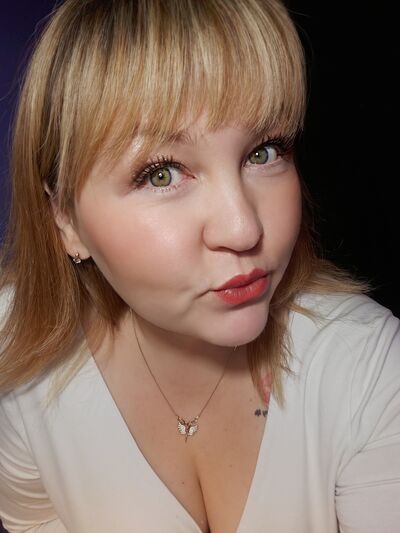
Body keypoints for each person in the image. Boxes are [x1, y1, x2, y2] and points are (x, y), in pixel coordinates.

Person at [0, 0, 399, 531]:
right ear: (65, 219)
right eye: (161, 173)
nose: (243, 229)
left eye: (264, 151)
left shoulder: (364, 366)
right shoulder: (16, 353)